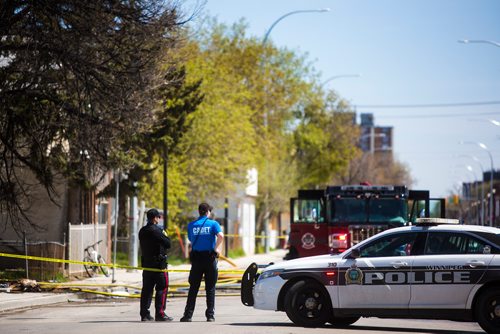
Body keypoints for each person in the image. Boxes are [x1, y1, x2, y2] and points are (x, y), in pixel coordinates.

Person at [180, 203, 224, 322]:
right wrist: (216, 248)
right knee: (210, 288)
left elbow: (191, 239)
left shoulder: (191, 225)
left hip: (197, 259)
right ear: (208, 212)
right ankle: (210, 315)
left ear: (199, 211)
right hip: (209, 258)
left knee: (193, 287)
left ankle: (188, 315)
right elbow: (221, 236)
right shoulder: (213, 224)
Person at [139, 208, 173, 322]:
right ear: (154, 218)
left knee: (147, 290)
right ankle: (160, 313)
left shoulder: (142, 231)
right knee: (162, 288)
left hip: (147, 265)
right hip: (159, 266)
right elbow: (168, 243)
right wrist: (164, 234)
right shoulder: (157, 231)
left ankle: (145, 314)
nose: (159, 219)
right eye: (158, 217)